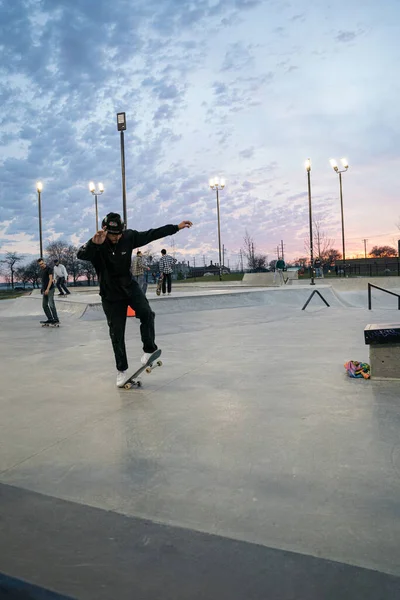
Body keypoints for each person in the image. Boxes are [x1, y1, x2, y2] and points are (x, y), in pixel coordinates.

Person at [77, 212, 192, 387]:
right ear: (105, 231)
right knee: (117, 332)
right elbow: (80, 254)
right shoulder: (98, 243)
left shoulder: (129, 237)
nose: (116, 238)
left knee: (147, 313)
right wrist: (93, 244)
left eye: (118, 235)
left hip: (129, 286)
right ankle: (121, 371)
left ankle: (148, 350)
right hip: (110, 294)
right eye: (112, 235)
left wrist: (175, 228)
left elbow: (152, 234)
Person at [37, 258, 60, 325]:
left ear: (44, 262)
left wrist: (47, 289)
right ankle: (50, 319)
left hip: (50, 289)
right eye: (40, 264)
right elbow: (43, 281)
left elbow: (50, 280)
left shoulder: (49, 269)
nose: (41, 265)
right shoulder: (42, 270)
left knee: (51, 304)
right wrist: (42, 289)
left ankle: (56, 319)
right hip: (45, 289)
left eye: (42, 263)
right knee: (44, 305)